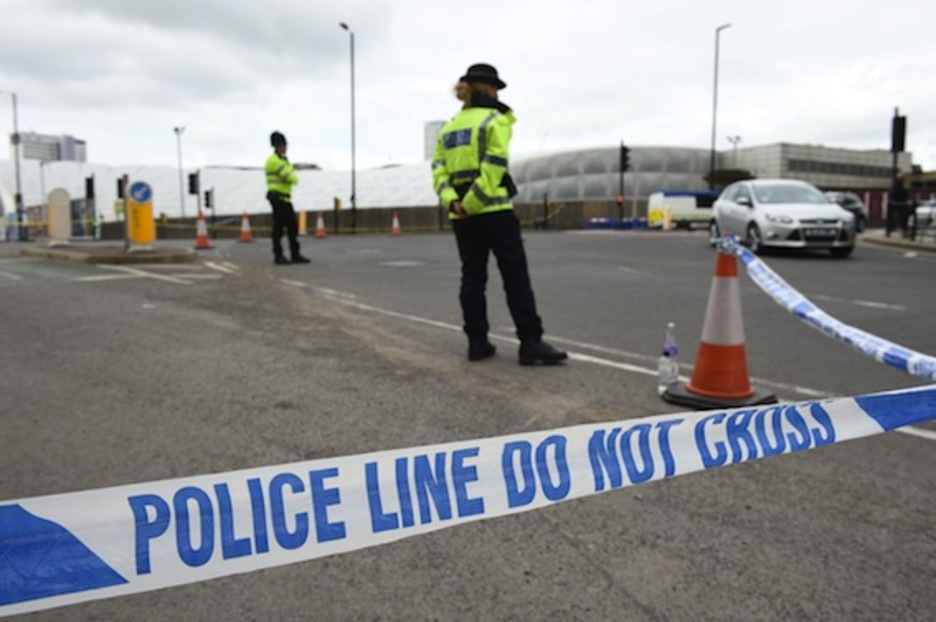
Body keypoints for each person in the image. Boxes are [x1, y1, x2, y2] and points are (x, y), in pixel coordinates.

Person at [432, 63, 567, 366]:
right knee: (515, 277)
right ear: (484, 88)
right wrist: (474, 201)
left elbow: (438, 170)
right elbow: (494, 165)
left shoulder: (449, 127)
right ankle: (530, 343)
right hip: (493, 211)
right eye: (494, 87)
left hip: (462, 218)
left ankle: (477, 343)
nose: (496, 92)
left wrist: (455, 202)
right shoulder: (496, 119)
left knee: (472, 279)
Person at [265, 131, 310, 265]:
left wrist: (291, 176)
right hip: (277, 197)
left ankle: (295, 254)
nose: (285, 148)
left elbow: (293, 179)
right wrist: (291, 175)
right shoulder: (273, 161)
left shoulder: (283, 160)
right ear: (276, 146)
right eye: (283, 145)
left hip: (286, 198)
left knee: (292, 227)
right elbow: (291, 177)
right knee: (278, 228)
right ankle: (278, 255)